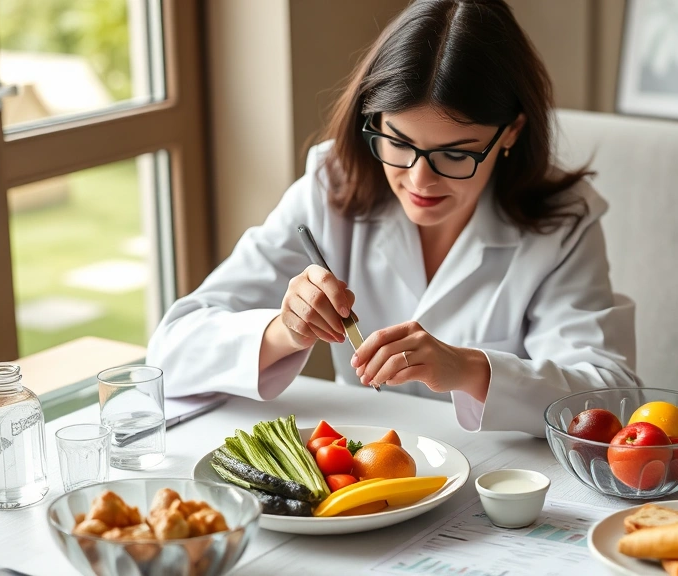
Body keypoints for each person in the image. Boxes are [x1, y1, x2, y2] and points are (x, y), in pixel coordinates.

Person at [147, 0, 638, 436]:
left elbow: (611, 399)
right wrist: (283, 331)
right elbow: (170, 350)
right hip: (362, 470)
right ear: (373, 120)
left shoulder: (564, 221)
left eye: (455, 154)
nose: (420, 181)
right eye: (399, 143)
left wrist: (469, 369)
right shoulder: (330, 189)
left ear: (510, 133)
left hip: (497, 485)